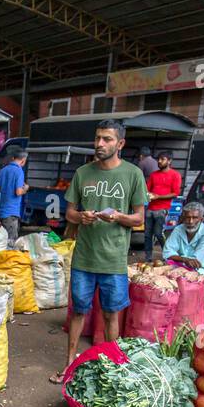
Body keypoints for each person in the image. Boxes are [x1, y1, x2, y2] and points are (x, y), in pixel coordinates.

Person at [51, 119, 146, 383]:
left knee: (110, 313)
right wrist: (80, 216)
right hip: (83, 258)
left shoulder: (133, 174)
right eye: (97, 139)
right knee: (78, 311)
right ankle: (69, 364)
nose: (100, 144)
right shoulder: (83, 173)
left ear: (121, 144)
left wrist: (118, 217)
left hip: (113, 260)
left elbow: (139, 219)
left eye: (107, 139)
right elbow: (68, 212)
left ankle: (111, 366)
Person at [144, 150, 182, 263]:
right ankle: (148, 258)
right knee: (147, 235)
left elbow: (175, 193)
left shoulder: (175, 175)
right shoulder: (154, 175)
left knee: (158, 233)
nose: (159, 161)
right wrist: (148, 195)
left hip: (162, 209)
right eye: (158, 159)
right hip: (150, 208)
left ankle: (167, 255)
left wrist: (158, 197)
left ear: (169, 161)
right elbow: (147, 189)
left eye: (162, 159)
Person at [161, 200, 204, 276]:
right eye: (188, 217)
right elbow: (167, 253)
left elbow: (195, 262)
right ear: (183, 218)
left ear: (202, 219)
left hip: (202, 272)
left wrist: (180, 259)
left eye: (195, 218)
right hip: (180, 269)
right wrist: (185, 260)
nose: (190, 221)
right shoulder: (178, 230)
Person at [0, 146, 28, 242]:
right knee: (11, 242)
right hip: (11, 212)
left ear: (13, 158)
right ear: (23, 160)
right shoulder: (19, 171)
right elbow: (18, 192)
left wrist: (7, 185)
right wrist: (25, 188)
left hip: (2, 211)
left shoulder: (3, 170)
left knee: (3, 240)